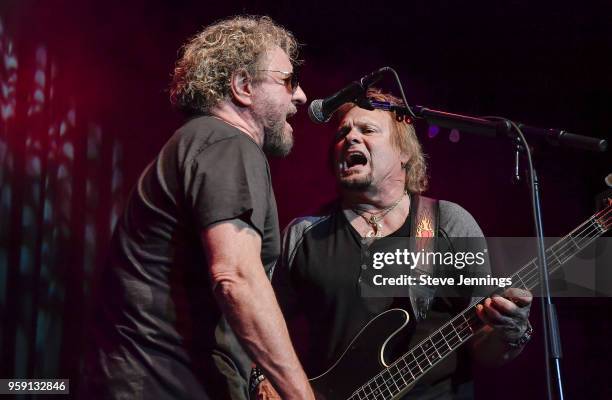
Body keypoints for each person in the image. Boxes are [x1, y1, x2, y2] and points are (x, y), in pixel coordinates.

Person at [81, 16, 314, 400]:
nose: (301, 96)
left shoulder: (200, 142)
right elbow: (236, 278)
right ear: (242, 86)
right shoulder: (228, 143)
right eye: (289, 80)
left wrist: (257, 374)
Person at [266, 89, 533, 399]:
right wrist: (263, 379)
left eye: (367, 129)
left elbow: (485, 350)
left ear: (403, 151)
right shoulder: (305, 234)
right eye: (342, 133)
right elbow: (261, 327)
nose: (350, 138)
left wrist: (511, 332)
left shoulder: (446, 223)